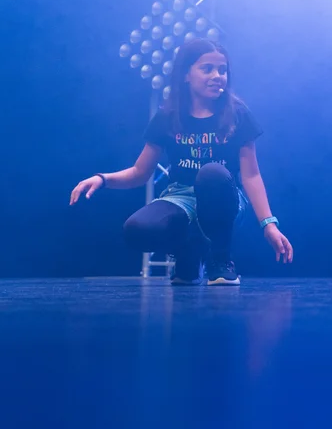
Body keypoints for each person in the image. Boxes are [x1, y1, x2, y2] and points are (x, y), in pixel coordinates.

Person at [70, 37, 293, 285]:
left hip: (224, 198)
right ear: (186, 74)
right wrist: (102, 179)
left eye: (222, 70)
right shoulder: (167, 116)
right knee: (136, 230)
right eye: (207, 68)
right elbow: (140, 172)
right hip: (180, 197)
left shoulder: (238, 114)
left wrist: (268, 224)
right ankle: (188, 252)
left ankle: (220, 258)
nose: (217, 76)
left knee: (211, 173)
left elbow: (251, 175)